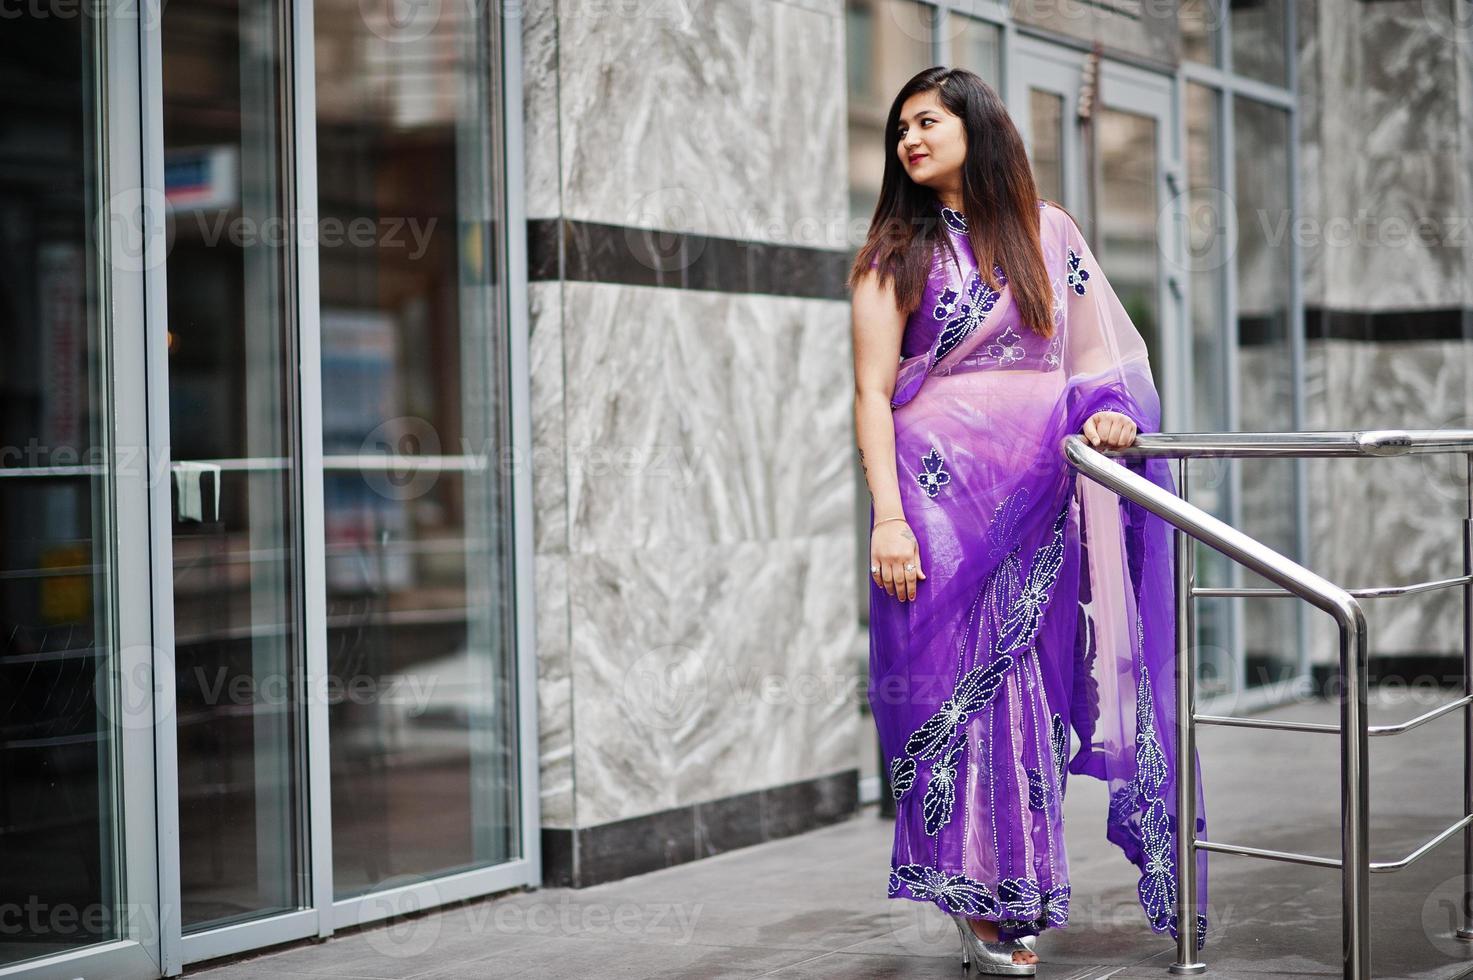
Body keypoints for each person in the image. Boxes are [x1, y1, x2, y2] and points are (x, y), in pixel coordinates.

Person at [848, 67, 1209, 975]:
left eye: (925, 121)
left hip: (1040, 500)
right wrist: (887, 520)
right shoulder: (896, 249)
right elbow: (868, 393)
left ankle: (1017, 892)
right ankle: (977, 899)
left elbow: (1099, 359)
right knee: (957, 701)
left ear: (976, 126)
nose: (908, 141)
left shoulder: (1049, 234)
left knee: (1030, 695)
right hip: (933, 503)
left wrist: (1109, 413)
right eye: (899, 130)